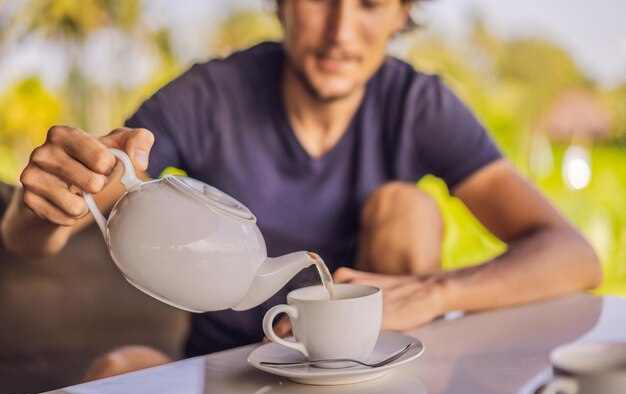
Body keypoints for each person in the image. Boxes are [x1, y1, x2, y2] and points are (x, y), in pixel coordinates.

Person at [0, 0, 601, 373]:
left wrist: (435, 291)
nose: (341, 30)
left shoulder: (417, 105)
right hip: (226, 377)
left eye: (369, 3)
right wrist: (50, 204)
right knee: (113, 370)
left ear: (401, 13)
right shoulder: (210, 97)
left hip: (364, 377)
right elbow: (79, 209)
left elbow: (573, 255)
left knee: (406, 207)